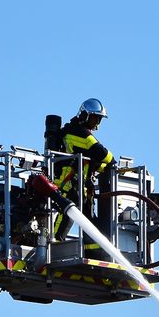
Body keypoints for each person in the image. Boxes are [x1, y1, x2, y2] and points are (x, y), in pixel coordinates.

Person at [51, 98, 115, 247]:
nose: (96, 123)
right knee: (67, 214)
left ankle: (93, 250)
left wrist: (103, 167)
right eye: (94, 118)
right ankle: (52, 245)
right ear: (84, 115)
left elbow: (91, 162)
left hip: (82, 187)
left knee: (91, 223)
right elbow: (102, 153)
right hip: (69, 184)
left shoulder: (80, 133)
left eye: (99, 119)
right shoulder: (77, 132)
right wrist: (111, 164)